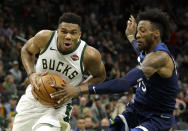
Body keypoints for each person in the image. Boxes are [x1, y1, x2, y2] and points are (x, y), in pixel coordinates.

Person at [52, 9, 180, 131]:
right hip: (136, 110)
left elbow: (124, 84)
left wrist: (79, 90)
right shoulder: (147, 52)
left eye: (142, 31)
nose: (138, 35)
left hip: (157, 117)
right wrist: (130, 36)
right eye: (137, 31)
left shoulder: (159, 57)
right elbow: (139, 51)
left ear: (156, 33)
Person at [12, 12, 106, 131]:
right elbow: (26, 50)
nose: (68, 36)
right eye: (64, 31)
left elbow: (100, 76)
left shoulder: (89, 55)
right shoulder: (44, 37)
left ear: (79, 35)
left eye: (73, 33)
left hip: (58, 107)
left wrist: (78, 89)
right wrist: (31, 74)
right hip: (33, 98)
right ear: (57, 31)